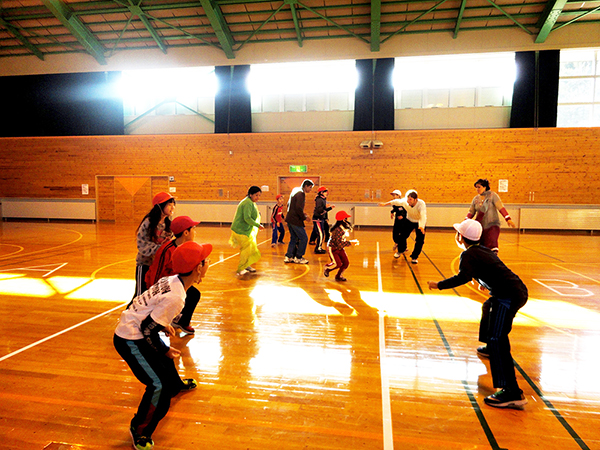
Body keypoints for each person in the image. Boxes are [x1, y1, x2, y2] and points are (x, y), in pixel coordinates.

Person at [114, 241, 212, 450]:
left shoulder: (172, 280)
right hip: (130, 339)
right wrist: (164, 347)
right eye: (206, 260)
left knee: (165, 362)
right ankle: (139, 430)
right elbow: (148, 329)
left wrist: (163, 324)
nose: (208, 262)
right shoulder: (176, 297)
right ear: (197, 268)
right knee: (159, 385)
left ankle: (176, 385)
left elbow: (148, 307)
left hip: (138, 329)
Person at [427, 219, 528, 409]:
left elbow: (462, 278)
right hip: (514, 291)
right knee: (487, 308)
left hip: (507, 297)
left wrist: (438, 285)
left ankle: (512, 391)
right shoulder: (481, 251)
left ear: (461, 237)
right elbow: (492, 270)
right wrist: (484, 281)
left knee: (499, 338)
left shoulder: (468, 255)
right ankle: (490, 347)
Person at [145, 215, 201, 335]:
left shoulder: (187, 248)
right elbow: (156, 272)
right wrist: (154, 292)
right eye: (193, 229)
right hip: (162, 285)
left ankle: (182, 321)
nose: (195, 232)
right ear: (186, 232)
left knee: (194, 294)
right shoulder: (166, 250)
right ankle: (161, 322)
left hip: (176, 282)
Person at [134, 192, 175, 298]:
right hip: (145, 265)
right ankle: (130, 314)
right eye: (169, 204)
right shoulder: (148, 223)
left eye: (173, 204)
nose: (173, 207)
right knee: (140, 296)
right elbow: (142, 245)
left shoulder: (169, 225)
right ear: (160, 206)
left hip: (158, 267)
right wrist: (161, 249)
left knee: (153, 296)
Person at [467, 178, 516, 254]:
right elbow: (471, 212)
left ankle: (494, 259)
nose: (477, 189)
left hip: (492, 225)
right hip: (480, 226)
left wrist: (508, 219)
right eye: (476, 187)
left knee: (492, 243)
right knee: (482, 247)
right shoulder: (475, 199)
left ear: (485, 187)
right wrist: (465, 221)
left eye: (479, 187)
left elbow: (500, 207)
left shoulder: (492, 196)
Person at [380, 190, 426, 264]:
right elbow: (395, 202)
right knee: (402, 236)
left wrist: (422, 226)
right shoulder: (405, 202)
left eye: (410, 199)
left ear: (415, 199)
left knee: (420, 241)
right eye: (408, 199)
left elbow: (423, 215)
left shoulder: (421, 204)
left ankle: (414, 257)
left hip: (419, 222)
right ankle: (400, 251)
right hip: (409, 220)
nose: (408, 201)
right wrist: (385, 204)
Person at [230, 186, 264, 276]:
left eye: (259, 195)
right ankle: (241, 268)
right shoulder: (247, 203)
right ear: (250, 194)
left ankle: (246, 265)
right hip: (240, 230)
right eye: (256, 195)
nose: (258, 197)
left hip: (244, 230)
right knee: (246, 249)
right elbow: (247, 218)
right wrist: (258, 225)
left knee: (249, 248)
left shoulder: (250, 202)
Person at [284, 179, 314, 264]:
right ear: (305, 186)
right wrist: (304, 217)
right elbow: (298, 208)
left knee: (293, 238)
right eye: (310, 187)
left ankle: (289, 256)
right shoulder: (301, 194)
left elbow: (290, 205)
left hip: (289, 218)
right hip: (295, 220)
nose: (310, 190)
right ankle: (299, 257)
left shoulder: (295, 191)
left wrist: (302, 213)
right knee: (304, 238)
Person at [324, 210, 359, 281]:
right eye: (347, 218)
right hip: (333, 248)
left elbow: (340, 243)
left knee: (346, 263)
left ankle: (339, 276)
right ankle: (327, 268)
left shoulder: (343, 228)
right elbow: (339, 243)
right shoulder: (338, 230)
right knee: (337, 264)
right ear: (344, 219)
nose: (348, 219)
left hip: (340, 248)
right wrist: (350, 243)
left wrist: (350, 242)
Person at [378, 189, 407, 258]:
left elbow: (405, 211)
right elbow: (395, 208)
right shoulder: (395, 204)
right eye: (393, 195)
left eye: (395, 195)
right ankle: (397, 243)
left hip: (403, 221)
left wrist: (402, 216)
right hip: (397, 220)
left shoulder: (402, 202)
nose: (394, 196)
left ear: (398, 195)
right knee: (395, 233)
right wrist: (392, 212)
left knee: (402, 234)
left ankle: (403, 247)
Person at [312, 186, 335, 254]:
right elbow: (319, 210)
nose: (326, 193)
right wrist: (325, 207)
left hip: (321, 218)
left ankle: (319, 247)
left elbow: (324, 210)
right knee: (321, 234)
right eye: (325, 192)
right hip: (318, 219)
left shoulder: (322, 199)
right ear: (321, 192)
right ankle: (318, 248)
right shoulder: (319, 200)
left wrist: (330, 208)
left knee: (321, 234)